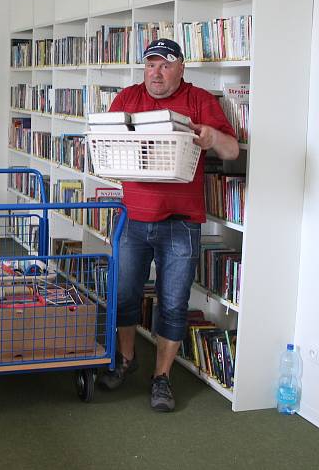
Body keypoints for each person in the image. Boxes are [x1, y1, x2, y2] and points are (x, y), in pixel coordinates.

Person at [96, 38, 239, 412]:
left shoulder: (199, 101)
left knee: (173, 304)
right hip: (132, 219)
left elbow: (231, 151)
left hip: (181, 223)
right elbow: (105, 142)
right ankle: (127, 359)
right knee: (125, 295)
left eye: (164, 65)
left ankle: (162, 377)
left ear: (180, 69)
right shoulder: (127, 98)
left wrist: (212, 136)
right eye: (150, 65)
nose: (155, 73)